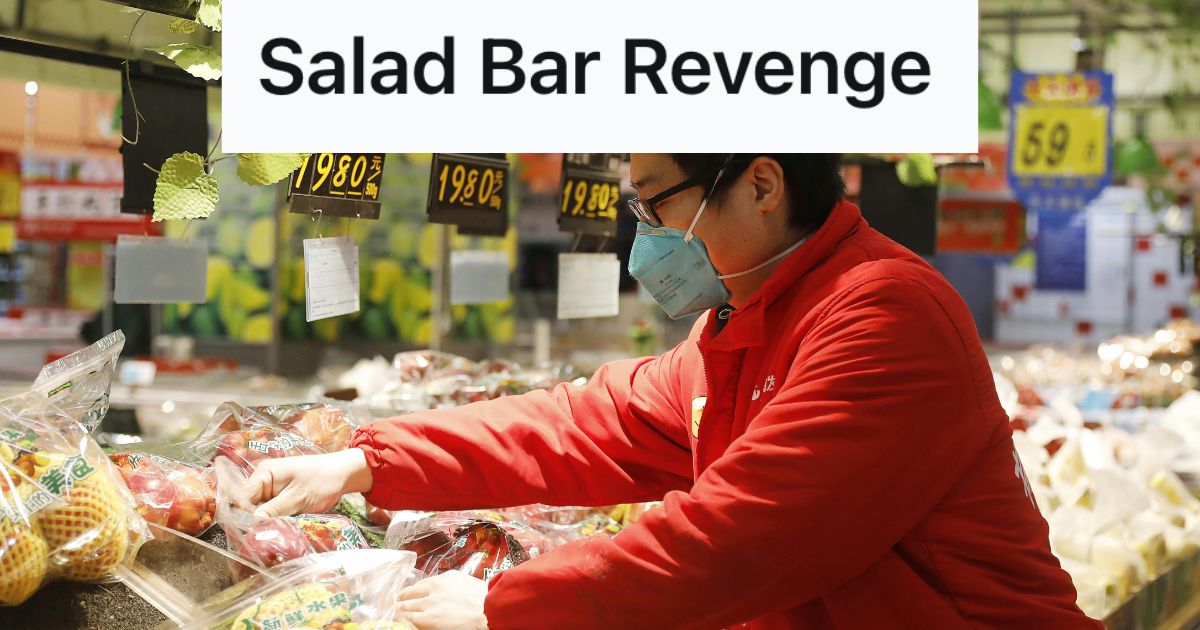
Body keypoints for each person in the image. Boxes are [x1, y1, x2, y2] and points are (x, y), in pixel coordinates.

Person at [243, 154, 1100, 629]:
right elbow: (593, 423)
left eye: (655, 205)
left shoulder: (883, 313)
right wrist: (365, 461)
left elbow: (740, 538)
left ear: (760, 185)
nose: (645, 238)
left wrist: (507, 605)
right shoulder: (749, 317)